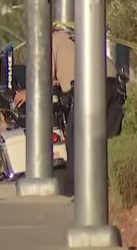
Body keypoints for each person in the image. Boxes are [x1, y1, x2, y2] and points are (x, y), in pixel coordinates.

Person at [13, 24, 126, 189]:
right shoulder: (71, 37)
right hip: (115, 85)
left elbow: (43, 77)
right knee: (108, 140)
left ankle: (78, 189)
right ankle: (108, 188)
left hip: (88, 86)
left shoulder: (49, 42)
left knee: (76, 140)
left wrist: (26, 92)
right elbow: (62, 73)